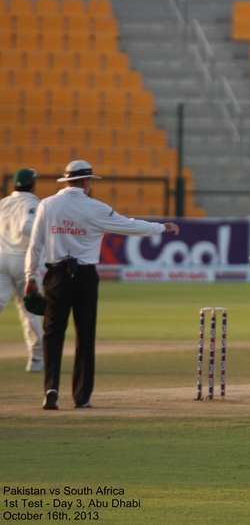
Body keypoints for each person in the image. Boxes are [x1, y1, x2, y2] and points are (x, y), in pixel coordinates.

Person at [25, 160, 181, 410]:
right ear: (86, 182)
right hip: (85, 276)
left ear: (67, 181)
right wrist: (162, 227)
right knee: (84, 336)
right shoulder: (96, 208)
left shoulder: (47, 204)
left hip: (56, 276)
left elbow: (35, 245)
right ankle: (82, 396)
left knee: (52, 333)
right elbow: (129, 226)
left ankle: (50, 389)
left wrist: (30, 278)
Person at [0, 168, 44, 372]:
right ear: (32, 184)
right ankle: (36, 360)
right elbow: (28, 225)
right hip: (21, 259)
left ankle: (36, 359)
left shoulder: (4, 203)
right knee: (29, 309)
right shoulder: (32, 203)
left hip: (1, 258)